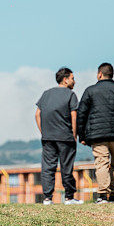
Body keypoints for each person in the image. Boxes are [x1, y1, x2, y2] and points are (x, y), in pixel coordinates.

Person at [77, 63, 114, 203]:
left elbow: (81, 114)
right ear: (111, 74)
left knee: (101, 163)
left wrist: (82, 135)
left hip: (97, 135)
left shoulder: (90, 91)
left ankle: (102, 195)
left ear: (99, 74)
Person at [35, 67, 83, 205]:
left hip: (48, 137)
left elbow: (37, 114)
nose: (74, 81)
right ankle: (69, 197)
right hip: (65, 137)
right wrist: (75, 135)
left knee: (48, 167)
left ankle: (47, 198)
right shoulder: (70, 95)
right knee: (66, 167)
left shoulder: (46, 94)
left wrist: (43, 131)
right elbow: (74, 116)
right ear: (65, 79)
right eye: (73, 78)